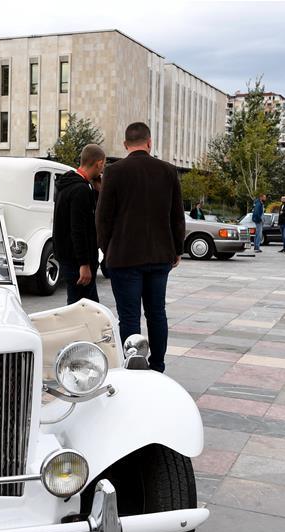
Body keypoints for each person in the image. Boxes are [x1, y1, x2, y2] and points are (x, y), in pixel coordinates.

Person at [96, 122, 184, 373]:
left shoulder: (114, 172)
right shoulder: (169, 171)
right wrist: (177, 249)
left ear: (125, 145)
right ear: (149, 142)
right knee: (157, 313)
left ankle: (133, 364)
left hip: (124, 257)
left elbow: (103, 217)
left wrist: (106, 248)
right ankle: (157, 365)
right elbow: (177, 216)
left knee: (129, 316)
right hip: (159, 256)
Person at [53, 143, 106, 304]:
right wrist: (84, 264)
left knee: (81, 305)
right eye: (103, 165)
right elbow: (79, 228)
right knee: (85, 308)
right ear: (99, 163)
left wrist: (97, 191)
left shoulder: (66, 184)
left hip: (67, 256)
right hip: (78, 262)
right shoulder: (81, 190)